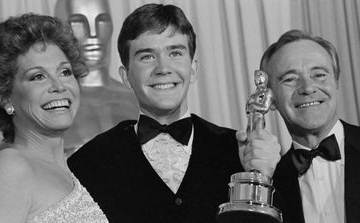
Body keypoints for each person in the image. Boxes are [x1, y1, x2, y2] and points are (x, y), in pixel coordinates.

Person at [68, 3, 281, 222]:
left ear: (193, 69)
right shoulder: (88, 163)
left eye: (175, 53)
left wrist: (261, 175)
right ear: (126, 76)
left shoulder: (240, 152)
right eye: (147, 57)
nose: (163, 68)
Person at [0, 13, 108, 222]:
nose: (59, 86)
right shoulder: (11, 168)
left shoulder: (72, 171)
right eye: (38, 76)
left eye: (65, 72)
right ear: (5, 96)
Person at [260, 29, 360, 223]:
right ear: (270, 99)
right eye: (290, 79)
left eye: (319, 75)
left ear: (336, 82)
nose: (307, 88)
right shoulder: (271, 185)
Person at [54, 0, 139, 152]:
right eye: (77, 21)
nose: (93, 33)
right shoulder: (51, 106)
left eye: (102, 20)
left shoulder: (140, 100)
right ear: (60, 31)